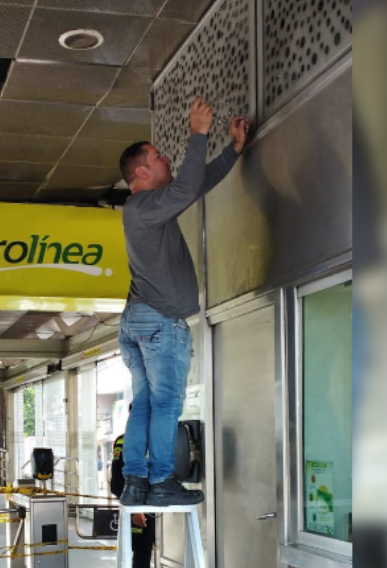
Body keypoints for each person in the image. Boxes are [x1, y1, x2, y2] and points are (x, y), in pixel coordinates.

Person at [115, 97, 249, 506]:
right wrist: (198, 133)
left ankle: (136, 481)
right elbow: (188, 186)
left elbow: (194, 186)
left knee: (146, 405)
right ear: (141, 171)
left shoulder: (146, 209)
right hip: (159, 321)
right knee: (167, 404)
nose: (166, 157)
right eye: (157, 156)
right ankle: (161, 483)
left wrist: (233, 152)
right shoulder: (142, 208)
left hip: (140, 321)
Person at [110, 430, 157, 568]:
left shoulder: (157, 437)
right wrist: (135, 509)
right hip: (138, 509)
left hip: (158, 504)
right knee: (142, 554)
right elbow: (117, 482)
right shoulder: (125, 441)